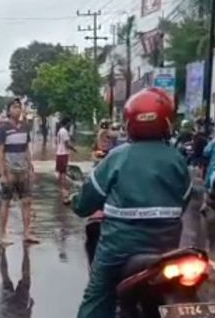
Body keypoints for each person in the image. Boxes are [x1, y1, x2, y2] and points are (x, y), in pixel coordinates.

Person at [71, 87, 192, 318]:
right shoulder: (177, 160)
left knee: (97, 297)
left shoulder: (118, 156)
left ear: (129, 123)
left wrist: (76, 203)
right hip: (165, 247)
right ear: (167, 122)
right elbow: (184, 201)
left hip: (119, 249)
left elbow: (86, 201)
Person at [0, 98, 37, 244]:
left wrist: (30, 167)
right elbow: (0, 151)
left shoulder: (25, 127)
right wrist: (2, 173)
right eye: (14, 107)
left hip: (23, 171)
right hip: (10, 172)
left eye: (19, 107)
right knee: (6, 202)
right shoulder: (3, 128)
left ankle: (27, 233)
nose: (17, 110)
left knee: (27, 202)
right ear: (8, 110)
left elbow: (26, 149)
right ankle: (2, 234)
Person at [56, 117, 77, 204]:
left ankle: (62, 189)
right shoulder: (64, 131)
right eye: (69, 123)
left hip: (59, 153)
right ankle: (64, 191)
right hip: (63, 154)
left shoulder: (60, 130)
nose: (70, 125)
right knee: (63, 173)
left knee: (61, 173)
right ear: (67, 123)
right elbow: (66, 144)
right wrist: (74, 149)